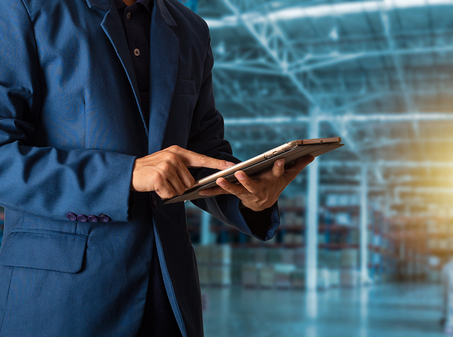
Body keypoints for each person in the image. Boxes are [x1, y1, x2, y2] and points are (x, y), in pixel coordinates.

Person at [0, 0, 313, 335]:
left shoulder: (191, 29)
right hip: (63, 299)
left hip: (168, 296)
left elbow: (201, 151)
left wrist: (250, 195)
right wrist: (124, 175)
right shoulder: (25, 8)